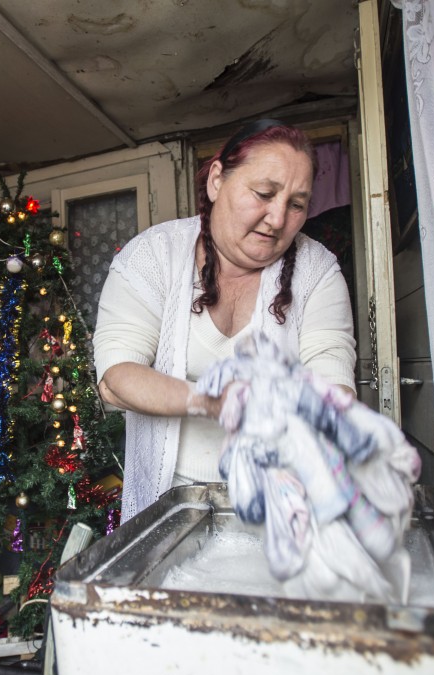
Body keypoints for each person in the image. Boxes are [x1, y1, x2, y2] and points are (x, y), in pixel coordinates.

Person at [93, 119, 357, 522]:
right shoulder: (152, 256)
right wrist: (214, 401)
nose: (277, 218)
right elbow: (116, 378)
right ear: (217, 180)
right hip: (169, 497)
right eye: (264, 193)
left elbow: (333, 380)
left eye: (297, 204)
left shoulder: (317, 270)